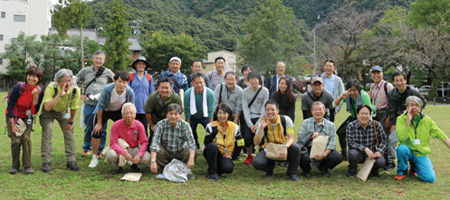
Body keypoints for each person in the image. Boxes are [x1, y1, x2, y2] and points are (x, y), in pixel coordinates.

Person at [394, 96, 450, 183]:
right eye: (411, 105)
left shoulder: (427, 120)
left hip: (420, 153)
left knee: (430, 178)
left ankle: (414, 167)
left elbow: (439, 134)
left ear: (420, 107)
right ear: (407, 107)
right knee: (402, 149)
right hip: (407, 150)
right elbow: (402, 137)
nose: (414, 107)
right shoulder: (401, 119)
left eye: (417, 105)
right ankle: (402, 171)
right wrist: (408, 121)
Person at [89, 72, 135, 168]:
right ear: (114, 81)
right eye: (119, 82)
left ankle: (126, 155)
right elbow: (100, 106)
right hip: (104, 110)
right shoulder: (108, 89)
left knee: (125, 133)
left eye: (125, 82)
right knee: (97, 132)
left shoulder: (129, 92)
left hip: (118, 111)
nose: (122, 85)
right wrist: (99, 123)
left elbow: (130, 108)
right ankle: (94, 157)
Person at [40, 69, 80, 173]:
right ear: (58, 81)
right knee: (47, 133)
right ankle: (46, 161)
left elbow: (74, 107)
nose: (68, 83)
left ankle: (71, 160)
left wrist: (70, 122)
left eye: (70, 80)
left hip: (63, 112)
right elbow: (47, 107)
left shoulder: (75, 90)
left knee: (69, 133)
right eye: (64, 81)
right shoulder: (51, 87)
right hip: (49, 111)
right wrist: (59, 95)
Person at [6, 66, 44, 174]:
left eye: (35, 77)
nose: (31, 78)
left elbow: (33, 112)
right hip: (14, 117)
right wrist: (12, 124)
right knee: (16, 141)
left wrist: (36, 98)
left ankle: (27, 166)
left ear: (39, 79)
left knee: (26, 139)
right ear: (26, 76)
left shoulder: (40, 91)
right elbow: (10, 106)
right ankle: (15, 166)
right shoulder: (19, 88)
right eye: (29, 75)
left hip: (27, 118)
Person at [76, 50, 115, 157]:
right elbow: (75, 81)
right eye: (96, 58)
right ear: (92, 59)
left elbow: (116, 82)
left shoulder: (108, 72)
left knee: (102, 127)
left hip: (102, 104)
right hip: (89, 102)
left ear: (104, 60)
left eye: (100, 58)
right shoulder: (85, 71)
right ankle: (86, 148)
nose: (98, 60)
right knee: (89, 126)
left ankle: (99, 150)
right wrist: (80, 94)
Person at [252, 101, 300, 181]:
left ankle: (292, 172)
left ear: (277, 110)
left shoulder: (286, 119)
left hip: (284, 147)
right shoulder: (263, 122)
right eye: (267, 110)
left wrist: (285, 147)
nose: (270, 112)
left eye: (272, 110)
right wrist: (261, 128)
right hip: (270, 148)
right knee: (257, 163)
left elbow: (291, 138)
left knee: (296, 148)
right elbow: (256, 142)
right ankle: (269, 168)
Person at [387, 72, 426, 171]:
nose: (399, 83)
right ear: (394, 82)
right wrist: (394, 124)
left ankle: (415, 164)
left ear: (405, 80)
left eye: (401, 80)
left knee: (415, 142)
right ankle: (391, 162)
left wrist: (414, 110)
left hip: (414, 121)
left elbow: (423, 103)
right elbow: (391, 110)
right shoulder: (391, 93)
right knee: (392, 140)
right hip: (400, 121)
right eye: (397, 81)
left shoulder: (413, 91)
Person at [297, 102, 343, 177]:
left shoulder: (330, 125)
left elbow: (332, 143)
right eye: (315, 110)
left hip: (324, 150)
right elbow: (299, 139)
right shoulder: (305, 123)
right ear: (312, 112)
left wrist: (324, 154)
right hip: (308, 149)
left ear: (324, 111)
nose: (318, 112)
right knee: (300, 155)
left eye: (320, 109)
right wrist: (310, 136)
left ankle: (323, 167)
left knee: (337, 157)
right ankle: (306, 169)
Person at [150, 103, 197, 177]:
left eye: (176, 114)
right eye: (171, 114)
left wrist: (191, 159)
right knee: (157, 150)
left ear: (180, 115)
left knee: (193, 151)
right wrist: (153, 161)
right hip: (167, 152)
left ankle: (182, 168)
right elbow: (155, 143)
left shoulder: (185, 125)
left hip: (180, 151)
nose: (173, 116)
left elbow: (191, 143)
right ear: (166, 115)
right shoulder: (160, 125)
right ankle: (165, 168)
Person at [105, 103, 150, 174]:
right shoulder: (116, 125)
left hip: (133, 148)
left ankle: (136, 167)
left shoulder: (139, 125)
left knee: (147, 157)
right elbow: (113, 143)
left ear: (135, 114)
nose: (129, 115)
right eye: (126, 113)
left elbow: (144, 142)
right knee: (111, 154)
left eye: (131, 113)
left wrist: (139, 155)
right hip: (120, 149)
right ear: (122, 114)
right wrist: (124, 152)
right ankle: (117, 168)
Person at [333, 80, 372, 160]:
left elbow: (369, 111)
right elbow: (334, 104)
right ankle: (344, 153)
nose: (352, 93)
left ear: (359, 90)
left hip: (364, 119)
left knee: (358, 135)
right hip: (353, 117)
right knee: (340, 132)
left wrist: (368, 125)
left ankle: (360, 154)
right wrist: (341, 98)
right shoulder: (346, 94)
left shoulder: (364, 96)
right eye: (350, 90)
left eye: (355, 90)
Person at [203, 103, 244, 180]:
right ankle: (212, 172)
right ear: (216, 114)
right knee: (212, 146)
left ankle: (218, 167)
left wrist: (233, 156)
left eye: (224, 113)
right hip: (213, 152)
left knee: (228, 168)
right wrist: (214, 133)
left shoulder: (234, 127)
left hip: (226, 153)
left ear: (228, 114)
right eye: (220, 113)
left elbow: (240, 143)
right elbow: (206, 142)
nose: (222, 116)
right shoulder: (210, 125)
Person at [346, 105, 387, 178]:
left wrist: (379, 151)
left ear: (370, 115)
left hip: (372, 154)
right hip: (358, 153)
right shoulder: (351, 126)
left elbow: (384, 140)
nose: (364, 116)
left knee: (381, 162)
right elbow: (351, 142)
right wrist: (365, 149)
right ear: (357, 115)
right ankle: (352, 169)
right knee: (352, 154)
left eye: (366, 114)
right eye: (362, 114)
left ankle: (374, 170)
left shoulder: (376, 125)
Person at [368, 65, 395, 170]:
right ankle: (382, 158)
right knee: (378, 136)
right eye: (374, 73)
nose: (376, 75)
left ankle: (390, 161)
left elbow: (392, 103)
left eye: (378, 73)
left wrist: (389, 118)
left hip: (385, 113)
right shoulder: (372, 86)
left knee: (386, 136)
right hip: (375, 113)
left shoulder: (387, 86)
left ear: (382, 74)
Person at [241, 71, 269, 164]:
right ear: (248, 81)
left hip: (261, 118)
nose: (253, 81)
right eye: (251, 79)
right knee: (247, 138)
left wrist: (258, 124)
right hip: (249, 118)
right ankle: (250, 155)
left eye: (255, 79)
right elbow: (245, 109)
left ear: (259, 80)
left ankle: (262, 155)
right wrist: (250, 125)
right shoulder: (244, 92)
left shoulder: (265, 91)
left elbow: (264, 109)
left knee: (261, 138)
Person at [145, 77, 182, 146]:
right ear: (158, 88)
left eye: (167, 88)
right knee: (153, 140)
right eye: (162, 88)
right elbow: (148, 111)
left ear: (171, 89)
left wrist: (175, 124)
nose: (164, 90)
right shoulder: (152, 97)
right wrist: (152, 125)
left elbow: (180, 112)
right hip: (156, 121)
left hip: (171, 121)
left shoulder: (176, 98)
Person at [184, 72, 215, 149]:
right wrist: (188, 123)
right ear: (192, 83)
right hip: (192, 115)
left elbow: (211, 109)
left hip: (205, 115)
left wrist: (211, 123)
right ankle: (195, 146)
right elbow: (187, 109)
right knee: (191, 131)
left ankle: (208, 145)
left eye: (201, 82)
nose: (199, 85)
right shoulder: (188, 93)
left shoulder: (210, 93)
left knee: (211, 131)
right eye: (196, 83)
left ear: (204, 82)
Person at [129, 56, 155, 136]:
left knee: (144, 129)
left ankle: (144, 147)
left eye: (143, 64)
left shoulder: (149, 77)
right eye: (139, 64)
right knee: (131, 129)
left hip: (145, 108)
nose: (141, 66)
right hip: (133, 108)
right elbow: (127, 92)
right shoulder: (131, 76)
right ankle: (132, 147)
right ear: (135, 65)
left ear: (145, 66)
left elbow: (152, 93)